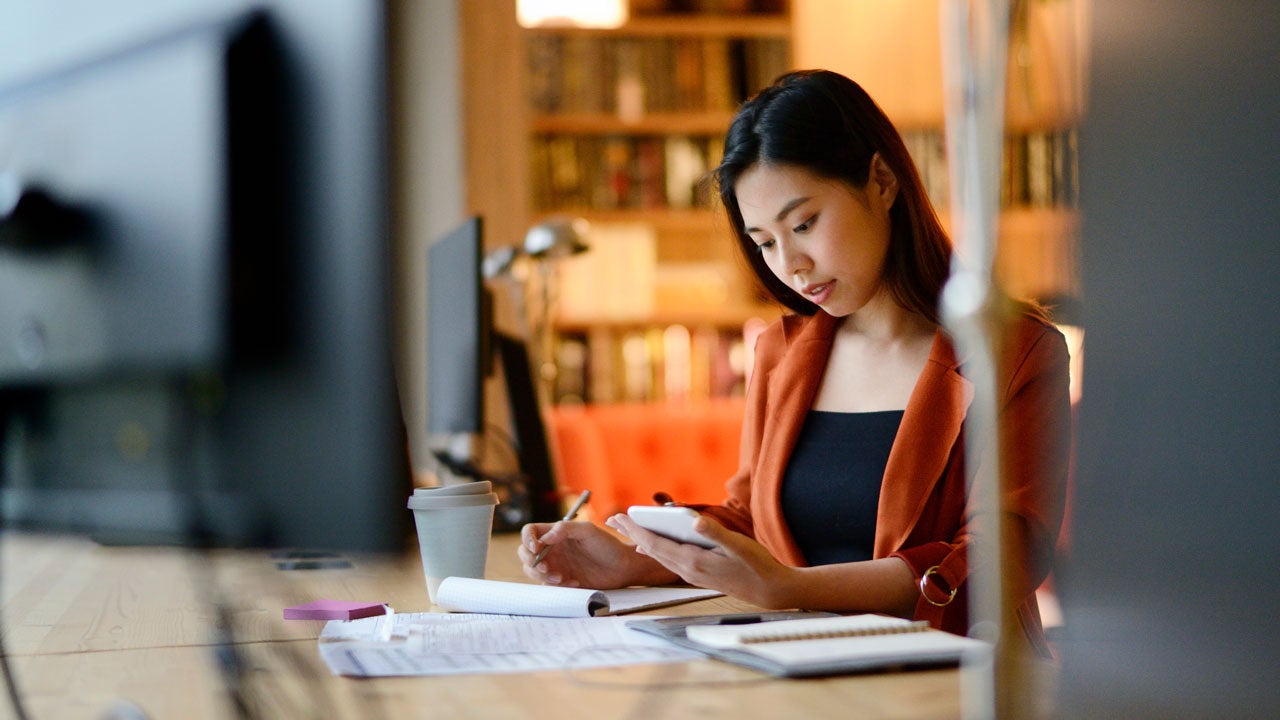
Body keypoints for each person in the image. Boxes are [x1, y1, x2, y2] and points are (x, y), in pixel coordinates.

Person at [519, 69, 1071, 657]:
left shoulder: (1015, 352)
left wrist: (792, 588)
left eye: (804, 224)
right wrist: (632, 558)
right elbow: (753, 519)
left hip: (958, 677)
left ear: (882, 181)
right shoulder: (783, 353)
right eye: (764, 241)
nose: (791, 265)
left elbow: (998, 559)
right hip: (805, 666)